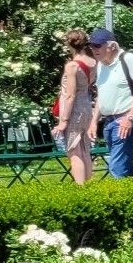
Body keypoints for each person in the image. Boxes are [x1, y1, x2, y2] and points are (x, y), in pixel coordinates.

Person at [89, 27, 133, 179]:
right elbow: (102, 96)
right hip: (109, 122)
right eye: (91, 46)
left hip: (125, 119)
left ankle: (121, 201)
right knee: (126, 166)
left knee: (117, 167)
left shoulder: (129, 59)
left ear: (112, 46)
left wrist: (130, 117)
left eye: (97, 45)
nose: (93, 49)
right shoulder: (100, 65)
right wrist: (93, 122)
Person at [50, 29, 98, 185]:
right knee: (84, 148)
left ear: (68, 43)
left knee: (73, 150)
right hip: (86, 106)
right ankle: (87, 183)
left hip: (74, 110)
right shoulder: (92, 62)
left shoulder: (72, 65)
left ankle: (80, 188)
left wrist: (63, 121)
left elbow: (70, 95)